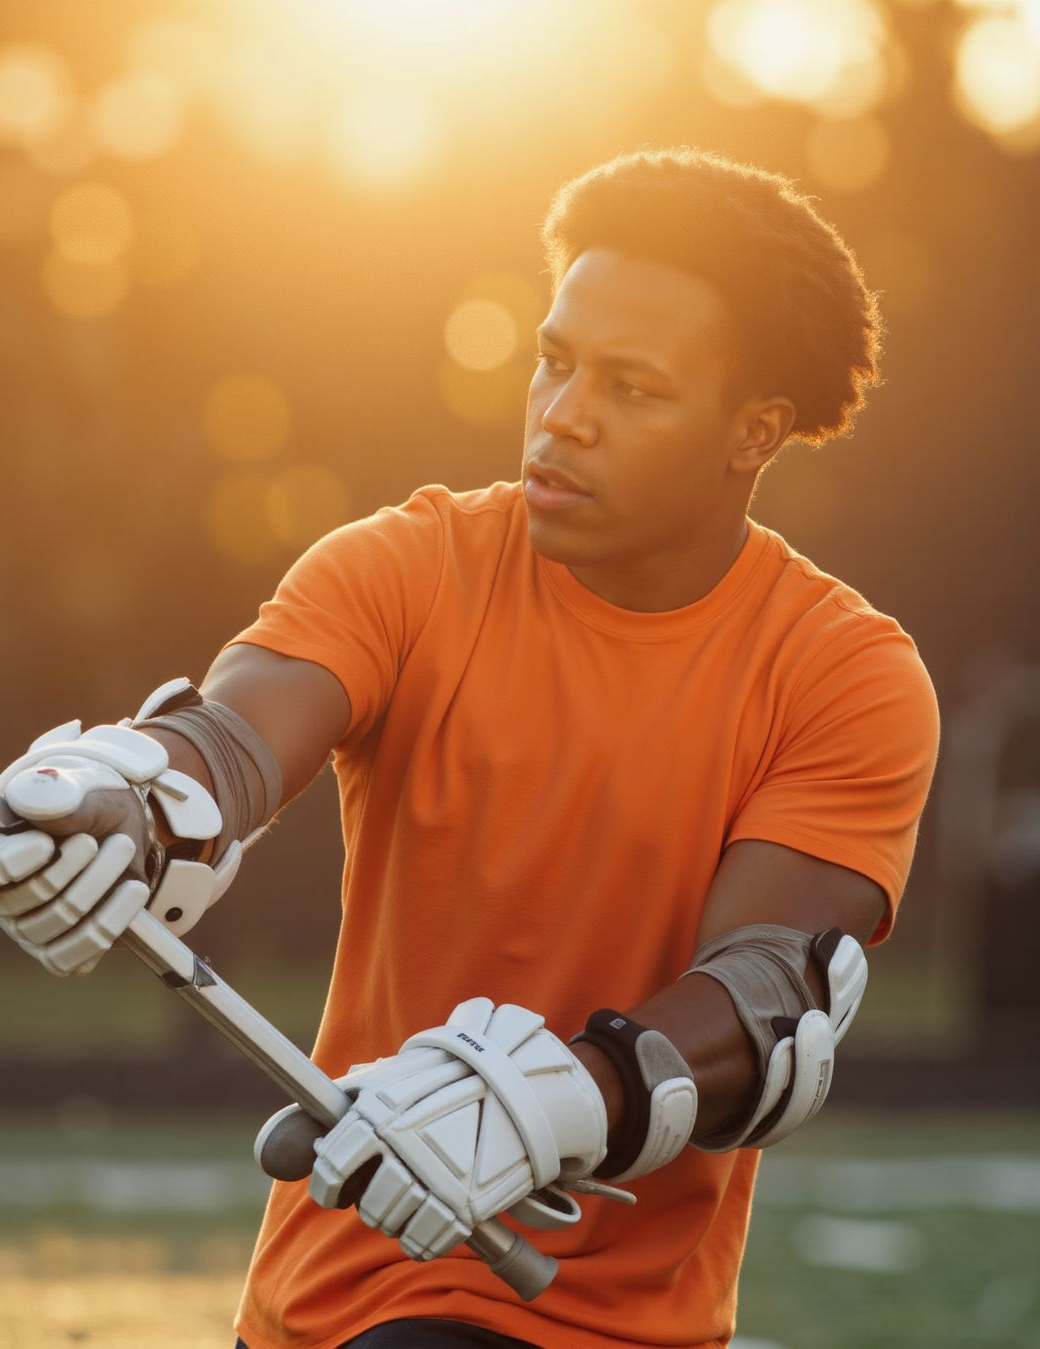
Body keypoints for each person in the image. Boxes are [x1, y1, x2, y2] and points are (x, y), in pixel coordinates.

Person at [0, 148, 940, 1349]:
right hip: (326, 1299)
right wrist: (124, 805)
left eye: (632, 388)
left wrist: (545, 1100)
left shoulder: (844, 670)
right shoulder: (407, 562)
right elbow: (230, 742)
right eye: (552, 360)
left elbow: (764, 995)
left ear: (752, 431)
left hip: (610, 1324)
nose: (563, 415)